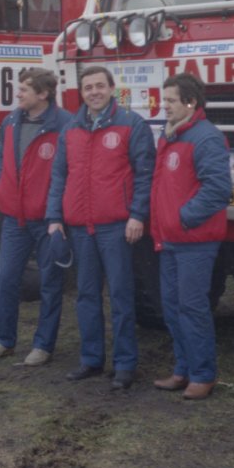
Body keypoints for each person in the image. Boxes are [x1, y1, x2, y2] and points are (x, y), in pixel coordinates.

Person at [46, 66, 154, 390]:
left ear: (111, 89)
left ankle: (125, 365)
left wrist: (137, 215)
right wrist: (54, 218)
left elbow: (145, 174)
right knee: (86, 296)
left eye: (99, 86)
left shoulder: (131, 124)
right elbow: (59, 176)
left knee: (121, 296)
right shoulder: (71, 129)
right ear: (81, 92)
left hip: (116, 226)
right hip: (80, 228)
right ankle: (91, 360)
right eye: (88, 87)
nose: (94, 92)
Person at [149, 73, 232, 400]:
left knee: (192, 307)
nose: (164, 106)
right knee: (172, 308)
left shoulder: (205, 138)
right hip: (169, 240)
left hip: (194, 241)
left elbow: (217, 190)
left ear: (190, 103)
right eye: (164, 99)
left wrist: (183, 218)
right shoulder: (170, 136)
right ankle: (183, 369)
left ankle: (202, 374)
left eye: (170, 100)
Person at [0, 68, 73, 366]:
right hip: (13, 218)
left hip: (47, 221)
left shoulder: (64, 125)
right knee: (6, 279)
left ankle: (43, 345)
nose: (18, 93)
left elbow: (70, 170)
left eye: (24, 89)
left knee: (50, 283)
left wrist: (56, 211)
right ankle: (4, 341)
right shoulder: (10, 121)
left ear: (43, 94)